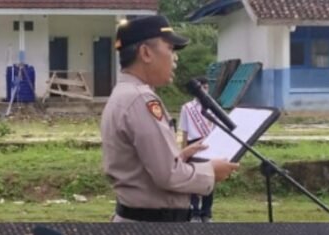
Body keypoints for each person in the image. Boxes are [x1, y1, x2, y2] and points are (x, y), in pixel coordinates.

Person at [101, 15, 239, 222]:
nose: (175, 58)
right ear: (146, 53)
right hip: (150, 225)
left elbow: (143, 164)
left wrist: (180, 156)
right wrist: (210, 171)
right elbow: (168, 175)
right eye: (170, 49)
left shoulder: (123, 94)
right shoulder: (141, 99)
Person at [179, 76, 217, 222]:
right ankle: (195, 211)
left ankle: (206, 212)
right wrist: (184, 151)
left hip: (209, 143)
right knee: (193, 177)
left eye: (207, 88)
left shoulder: (213, 106)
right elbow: (184, 131)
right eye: (202, 88)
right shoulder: (187, 108)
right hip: (193, 144)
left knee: (209, 178)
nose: (205, 91)